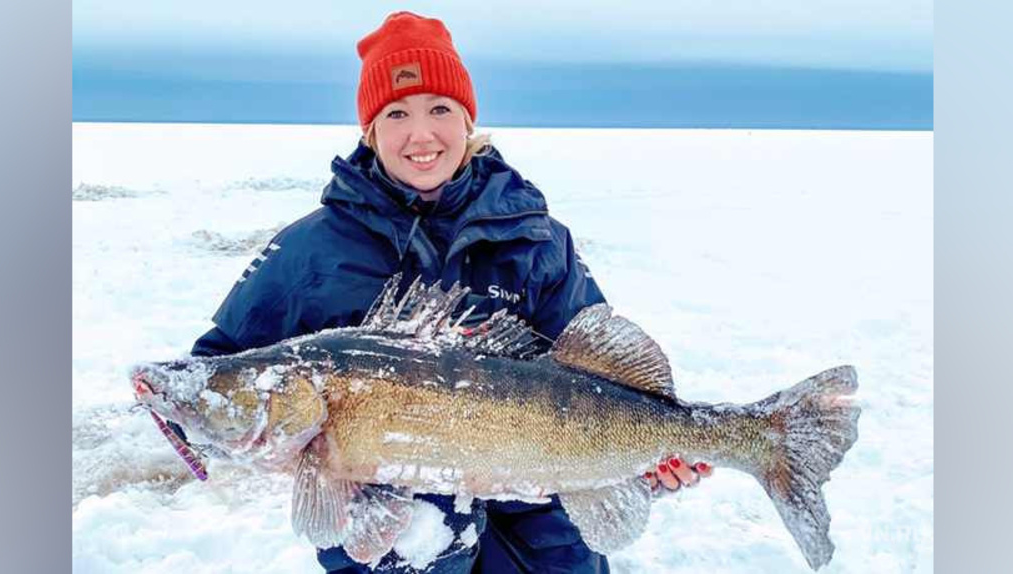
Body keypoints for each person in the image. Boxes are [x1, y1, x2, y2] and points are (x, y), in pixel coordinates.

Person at [187, 11, 711, 573]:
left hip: (540, 517)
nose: (421, 134)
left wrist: (650, 448)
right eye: (396, 113)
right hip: (393, 526)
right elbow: (219, 370)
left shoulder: (537, 239)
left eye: (440, 108)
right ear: (370, 130)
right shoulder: (311, 250)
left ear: (468, 121)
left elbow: (602, 364)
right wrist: (215, 428)